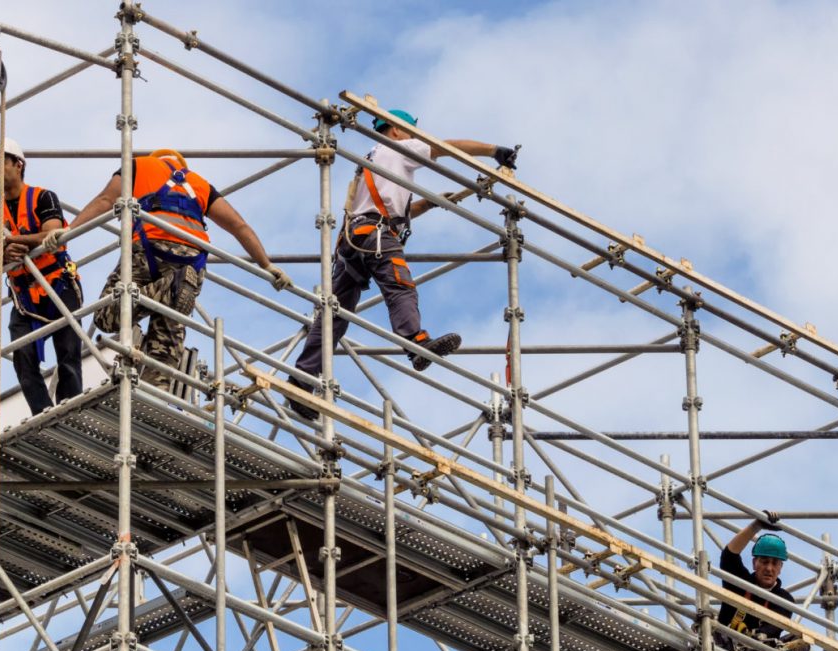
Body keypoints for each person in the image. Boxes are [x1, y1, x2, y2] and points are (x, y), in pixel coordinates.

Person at [285, 109, 520, 420]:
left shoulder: (372, 159)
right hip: (376, 236)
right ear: (395, 130)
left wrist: (429, 202)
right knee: (400, 286)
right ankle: (415, 342)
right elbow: (445, 147)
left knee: (334, 316)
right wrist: (493, 151)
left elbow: (391, 210)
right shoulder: (399, 148)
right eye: (410, 132)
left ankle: (301, 379)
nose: (414, 138)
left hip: (353, 241)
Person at [47, 149, 289, 392]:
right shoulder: (200, 184)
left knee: (105, 315)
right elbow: (239, 226)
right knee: (166, 339)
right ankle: (156, 393)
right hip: (192, 262)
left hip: (150, 249)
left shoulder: (139, 166)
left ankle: (173, 287)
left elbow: (105, 200)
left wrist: (68, 232)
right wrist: (266, 265)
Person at [0, 137, 83, 416]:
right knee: (23, 358)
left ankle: (70, 412)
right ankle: (43, 413)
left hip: (57, 284)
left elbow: (54, 235)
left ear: (18, 164)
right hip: (24, 295)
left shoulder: (43, 197)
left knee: (68, 354)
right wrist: (4, 250)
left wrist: (16, 240)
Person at [716, 510, 802, 651]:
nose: (769, 568)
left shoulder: (784, 600)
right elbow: (728, 556)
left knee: (800, 643)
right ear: (755, 563)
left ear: (780, 568)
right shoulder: (740, 583)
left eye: (774, 563)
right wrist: (756, 526)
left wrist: (756, 640)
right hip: (725, 650)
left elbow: (771, 632)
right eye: (764, 561)